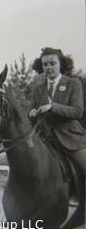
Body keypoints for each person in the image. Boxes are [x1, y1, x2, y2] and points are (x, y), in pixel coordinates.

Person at [28, 47, 86, 178]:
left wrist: (52, 107)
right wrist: (31, 113)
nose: (49, 67)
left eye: (52, 63)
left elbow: (77, 111)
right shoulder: (37, 89)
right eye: (45, 64)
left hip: (71, 139)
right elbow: (31, 113)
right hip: (44, 140)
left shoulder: (73, 84)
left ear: (61, 64)